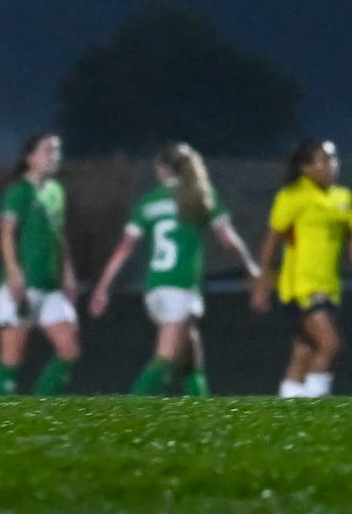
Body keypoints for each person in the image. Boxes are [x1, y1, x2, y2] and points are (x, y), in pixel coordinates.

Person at [88, 145, 258, 395]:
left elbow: (124, 249)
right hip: (181, 287)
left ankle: (204, 421)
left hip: (155, 289)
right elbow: (228, 240)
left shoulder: (148, 202)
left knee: (191, 356)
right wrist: (250, 267)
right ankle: (124, 417)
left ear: (164, 170)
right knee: (164, 357)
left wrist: (102, 287)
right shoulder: (199, 196)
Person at [265, 138, 352, 395]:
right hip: (299, 287)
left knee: (304, 350)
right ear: (306, 168)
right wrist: (262, 281)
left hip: (329, 287)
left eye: (334, 158)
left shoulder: (342, 197)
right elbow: (272, 241)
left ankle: (287, 412)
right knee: (330, 343)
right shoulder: (293, 196)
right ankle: (317, 407)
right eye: (324, 160)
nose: (332, 165)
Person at [0, 132, 81, 395]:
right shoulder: (19, 191)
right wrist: (14, 273)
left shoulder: (56, 191)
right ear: (30, 158)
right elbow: (6, 234)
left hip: (50, 286)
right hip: (22, 285)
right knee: (11, 359)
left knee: (69, 350)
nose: (54, 156)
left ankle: (40, 409)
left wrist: (68, 274)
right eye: (48, 150)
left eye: (57, 150)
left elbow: (58, 236)